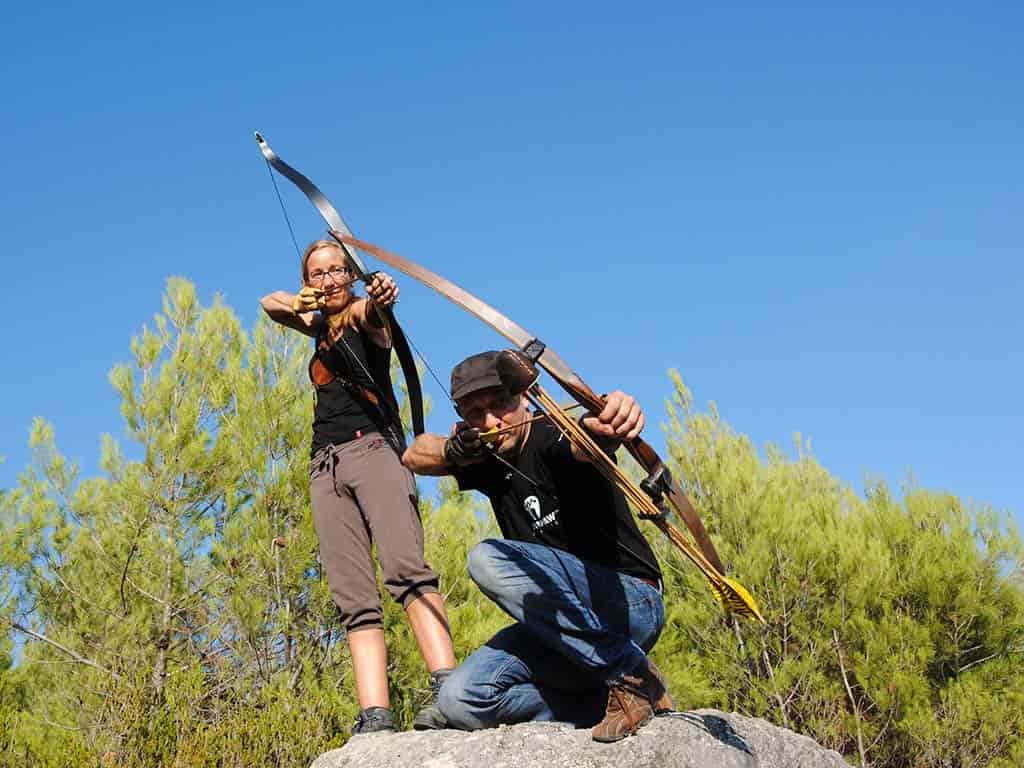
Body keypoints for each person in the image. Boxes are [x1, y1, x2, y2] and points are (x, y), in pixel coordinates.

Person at [401, 349, 674, 743]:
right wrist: (456, 449)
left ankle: (630, 674)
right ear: (463, 418)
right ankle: (606, 702)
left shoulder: (552, 435)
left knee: (487, 558)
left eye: (500, 404)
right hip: (565, 633)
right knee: (459, 699)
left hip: (628, 604)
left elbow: (585, 441)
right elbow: (413, 454)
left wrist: (612, 417)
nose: (492, 421)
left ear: (524, 398)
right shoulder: (485, 456)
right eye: (476, 413)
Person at [261, 239, 456, 734]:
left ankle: (451, 691)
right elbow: (269, 303)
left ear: (352, 275)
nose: (328, 280)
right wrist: (304, 300)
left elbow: (372, 315)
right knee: (352, 595)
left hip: (373, 452)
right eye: (317, 273)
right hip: (324, 467)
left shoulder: (363, 316)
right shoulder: (315, 320)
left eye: (336, 271)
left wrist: (380, 297)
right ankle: (376, 715)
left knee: (407, 571)